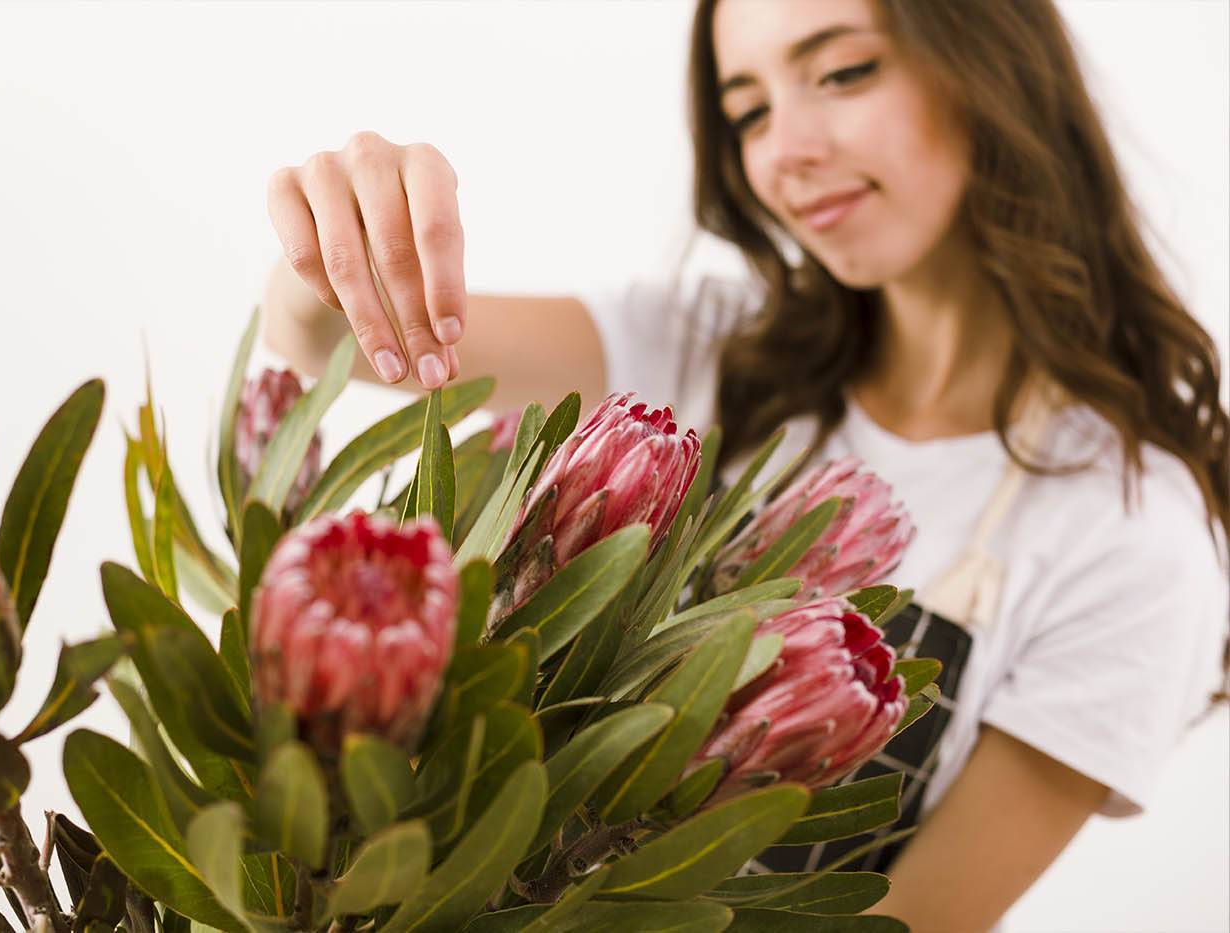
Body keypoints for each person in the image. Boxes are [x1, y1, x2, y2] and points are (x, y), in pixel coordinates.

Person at [258, 0, 1230, 929]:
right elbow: (327, 338)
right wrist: (338, 241)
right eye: (747, 111)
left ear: (993, 69)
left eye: (842, 72)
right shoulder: (705, 355)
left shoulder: (1131, 535)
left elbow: (895, 929)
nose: (783, 153)